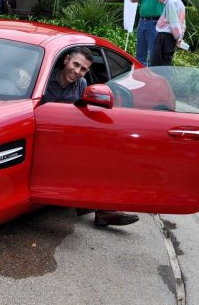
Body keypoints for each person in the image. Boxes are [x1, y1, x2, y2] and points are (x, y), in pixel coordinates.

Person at [42, 47, 140, 227]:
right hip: (40, 135)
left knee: (101, 157)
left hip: (64, 139)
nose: (77, 72)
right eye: (75, 64)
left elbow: (84, 114)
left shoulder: (81, 85)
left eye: (83, 69)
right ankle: (99, 209)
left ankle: (104, 210)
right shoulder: (46, 78)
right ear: (66, 60)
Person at [130, 0, 169, 66]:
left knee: (153, 54)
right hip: (142, 22)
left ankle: (153, 78)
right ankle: (141, 77)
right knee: (140, 54)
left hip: (155, 23)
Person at [150, 0, 186, 66]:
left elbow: (174, 23)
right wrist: (180, 36)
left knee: (159, 64)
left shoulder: (171, 3)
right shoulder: (178, 1)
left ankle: (161, 79)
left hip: (165, 37)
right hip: (169, 37)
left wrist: (178, 38)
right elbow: (182, 22)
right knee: (165, 62)